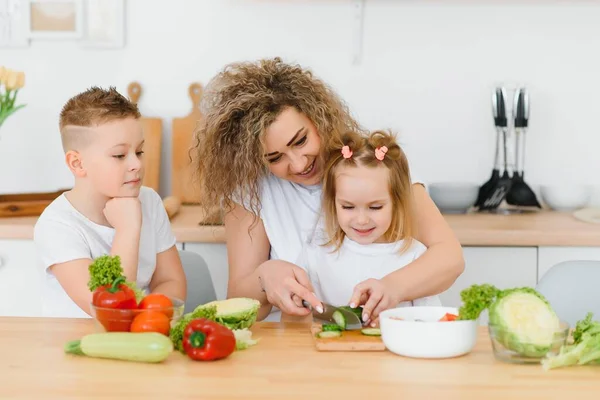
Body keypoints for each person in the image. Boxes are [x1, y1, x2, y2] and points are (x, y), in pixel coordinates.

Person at [193, 57, 464, 323]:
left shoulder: (374, 168)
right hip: (291, 346)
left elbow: (449, 257)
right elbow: (238, 301)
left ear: (317, 117)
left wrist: (393, 287)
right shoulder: (249, 192)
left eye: (300, 141)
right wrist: (265, 276)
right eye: (275, 158)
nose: (298, 164)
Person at [34, 86, 187, 318]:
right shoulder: (57, 225)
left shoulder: (150, 201)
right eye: (119, 155)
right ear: (77, 164)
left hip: (138, 339)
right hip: (74, 347)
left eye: (140, 151)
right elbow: (109, 311)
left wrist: (149, 319)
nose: (136, 164)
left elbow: (170, 280)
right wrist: (128, 229)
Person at [297, 130, 441, 327]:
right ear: (333, 204)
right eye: (348, 207)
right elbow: (295, 325)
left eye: (375, 207)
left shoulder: (415, 256)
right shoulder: (315, 254)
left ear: (396, 203)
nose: (362, 220)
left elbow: (431, 323)